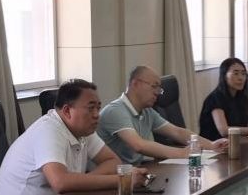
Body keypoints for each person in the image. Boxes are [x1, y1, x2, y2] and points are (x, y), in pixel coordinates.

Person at [0, 78, 146, 195]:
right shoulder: (49, 129)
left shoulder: (82, 129)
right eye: (90, 108)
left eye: (98, 108)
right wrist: (123, 180)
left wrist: (82, 182)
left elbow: (112, 161)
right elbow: (60, 182)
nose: (96, 115)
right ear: (67, 111)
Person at [98, 66, 228, 163]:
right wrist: (181, 153)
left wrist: (211, 145)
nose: (157, 93)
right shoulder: (115, 111)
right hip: (112, 178)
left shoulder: (147, 111)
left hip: (136, 173)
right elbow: (138, 145)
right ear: (135, 84)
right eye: (153, 86)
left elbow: (177, 132)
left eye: (159, 88)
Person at [198, 57, 248, 141]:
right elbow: (224, 130)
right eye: (236, 74)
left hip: (238, 142)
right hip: (215, 145)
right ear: (224, 76)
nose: (241, 78)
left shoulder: (241, 97)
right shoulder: (215, 98)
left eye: (243, 74)